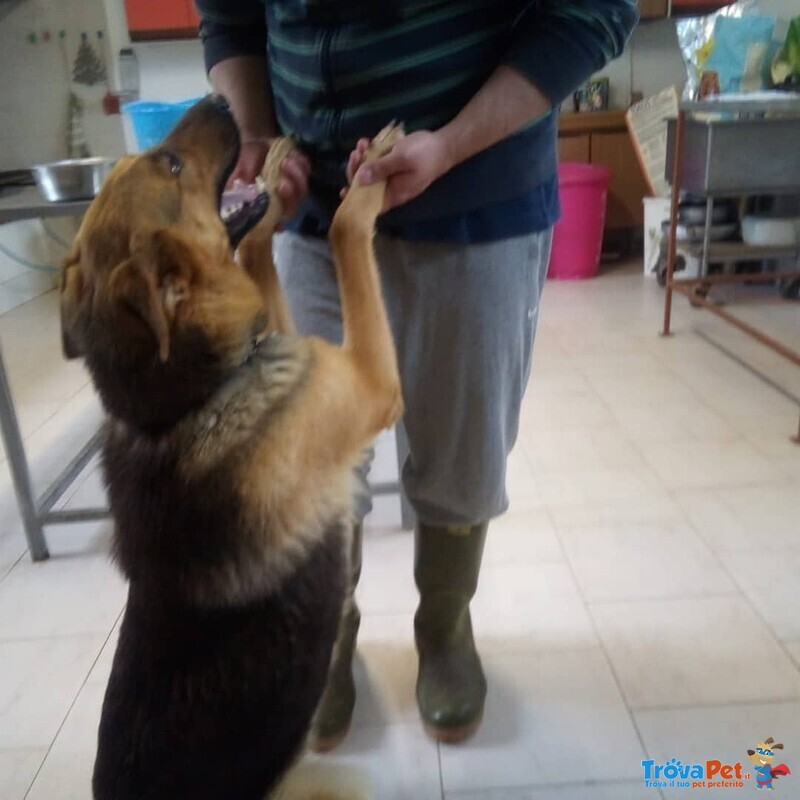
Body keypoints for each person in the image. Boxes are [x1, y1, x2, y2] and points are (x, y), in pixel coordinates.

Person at [197, 0, 637, 749]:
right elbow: (232, 16)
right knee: (310, 461)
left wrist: (453, 145)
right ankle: (328, 634)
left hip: (478, 195)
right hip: (312, 213)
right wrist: (257, 132)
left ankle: (443, 624)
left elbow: (591, 10)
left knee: (462, 443)